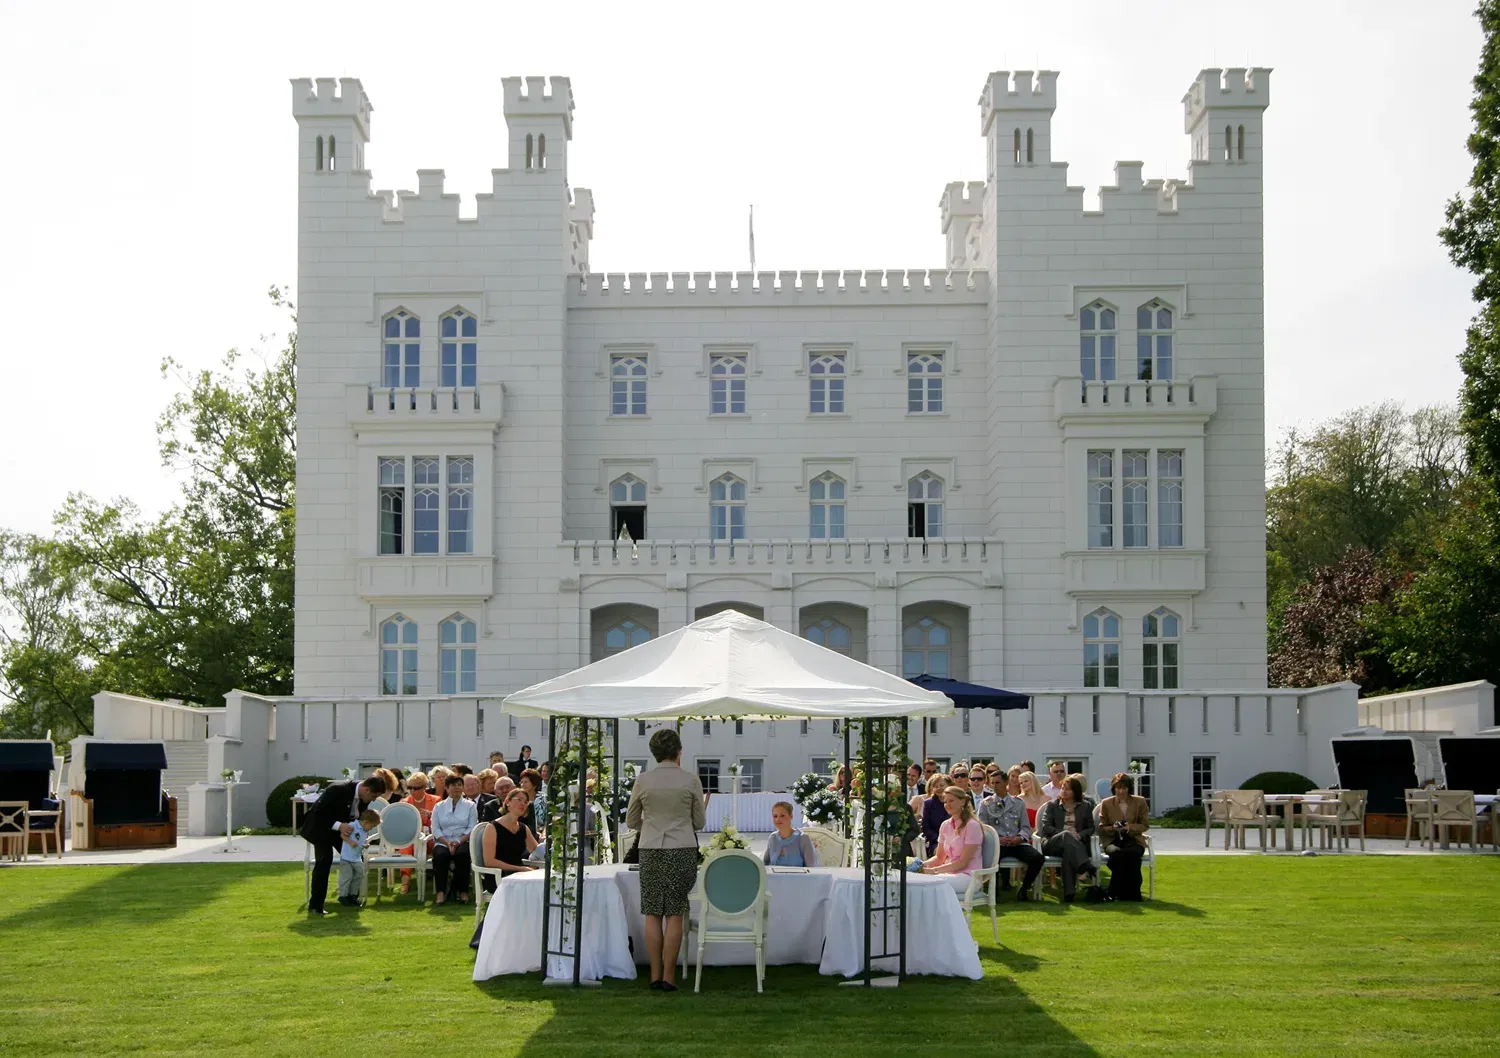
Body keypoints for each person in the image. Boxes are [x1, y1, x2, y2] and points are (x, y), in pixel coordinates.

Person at [626, 728, 706, 993]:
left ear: (654, 753)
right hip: (681, 847)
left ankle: (654, 975)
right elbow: (699, 822)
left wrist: (651, 825)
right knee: (674, 912)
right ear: (679, 751)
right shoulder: (690, 779)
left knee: (652, 912)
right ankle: (669, 976)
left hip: (651, 848)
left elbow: (631, 820)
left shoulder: (643, 780)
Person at [299, 775, 386, 916]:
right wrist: (340, 826)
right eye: (374, 796)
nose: (374, 800)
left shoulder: (364, 798)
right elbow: (319, 813)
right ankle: (316, 906)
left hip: (343, 832)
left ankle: (349, 897)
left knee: (357, 861)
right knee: (324, 862)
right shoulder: (337, 790)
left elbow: (357, 818)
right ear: (366, 789)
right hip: (321, 829)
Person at [978, 780, 1044, 900]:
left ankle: (1024, 890)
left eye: (997, 782)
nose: (994, 785)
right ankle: (994, 893)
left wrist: (1020, 837)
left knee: (1037, 858)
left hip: (1016, 843)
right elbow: (983, 828)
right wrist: (997, 838)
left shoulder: (1018, 803)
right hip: (997, 843)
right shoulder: (986, 804)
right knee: (992, 859)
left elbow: (1025, 827)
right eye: (993, 783)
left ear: (1005, 783)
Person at [1035, 776, 1097, 903]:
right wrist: (1065, 833)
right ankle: (1085, 864)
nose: (1063, 791)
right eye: (1062, 788)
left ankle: (1069, 893)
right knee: (1067, 836)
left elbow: (1090, 828)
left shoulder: (1085, 806)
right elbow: (1046, 827)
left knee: (1068, 851)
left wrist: (1079, 835)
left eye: (1068, 789)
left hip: (1075, 844)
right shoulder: (1052, 805)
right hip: (1052, 843)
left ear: (1076, 791)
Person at [1097, 772, 1150, 901]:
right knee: (1117, 854)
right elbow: (1102, 828)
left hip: (1133, 840)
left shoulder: (1139, 802)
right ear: (1113, 788)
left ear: (1129, 788)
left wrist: (1129, 827)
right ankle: (1120, 892)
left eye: (1124, 788)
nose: (1121, 791)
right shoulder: (1106, 803)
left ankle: (1124, 892)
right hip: (1113, 840)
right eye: (1118, 788)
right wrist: (1113, 828)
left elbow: (1144, 825)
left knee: (1133, 855)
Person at [920, 786, 984, 893]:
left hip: (969, 876)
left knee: (932, 884)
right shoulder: (945, 825)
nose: (947, 805)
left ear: (962, 802)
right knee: (920, 881)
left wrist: (934, 871)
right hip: (949, 874)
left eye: (951, 801)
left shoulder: (972, 825)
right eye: (945, 802)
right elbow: (939, 858)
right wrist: (920, 866)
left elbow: (962, 862)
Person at [430, 774, 478, 905]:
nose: (456, 788)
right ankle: (441, 892)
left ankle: (463, 891)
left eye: (459, 785)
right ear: (446, 788)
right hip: (443, 841)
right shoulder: (438, 806)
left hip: (462, 840)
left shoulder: (470, 806)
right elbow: (435, 828)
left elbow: (472, 827)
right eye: (453, 785)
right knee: (440, 856)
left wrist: (458, 842)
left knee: (462, 854)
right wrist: (447, 842)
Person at [480, 788, 538, 880]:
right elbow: (489, 862)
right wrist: (519, 869)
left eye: (526, 802)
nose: (523, 804)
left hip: (520, 875)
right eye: (519, 799)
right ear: (507, 802)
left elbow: (536, 851)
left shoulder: (523, 828)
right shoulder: (492, 827)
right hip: (499, 876)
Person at [398, 770, 439, 894]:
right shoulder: (404, 803)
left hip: (430, 837)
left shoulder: (436, 800)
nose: (412, 791)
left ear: (424, 787)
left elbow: (440, 822)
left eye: (416, 788)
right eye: (410, 787)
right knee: (406, 846)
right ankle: (405, 882)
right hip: (411, 837)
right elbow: (402, 825)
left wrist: (430, 816)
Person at [336, 808, 381, 907]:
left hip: (356, 858)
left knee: (359, 874)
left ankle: (353, 895)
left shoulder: (365, 831)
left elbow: (361, 841)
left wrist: (365, 845)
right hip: (346, 857)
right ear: (366, 822)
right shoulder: (352, 826)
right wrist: (350, 842)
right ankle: (343, 896)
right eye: (372, 826)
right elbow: (343, 835)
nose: (371, 828)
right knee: (347, 876)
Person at [763, 801, 818, 868]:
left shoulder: (803, 838)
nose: (778, 819)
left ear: (791, 816)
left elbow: (812, 867)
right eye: (775, 816)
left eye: (782, 816)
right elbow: (764, 865)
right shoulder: (773, 837)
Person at [920, 773, 951, 857]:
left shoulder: (957, 801)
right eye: (936, 786)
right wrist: (939, 840)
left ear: (949, 785)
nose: (939, 788)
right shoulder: (928, 804)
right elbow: (926, 827)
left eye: (942, 785)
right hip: (935, 841)